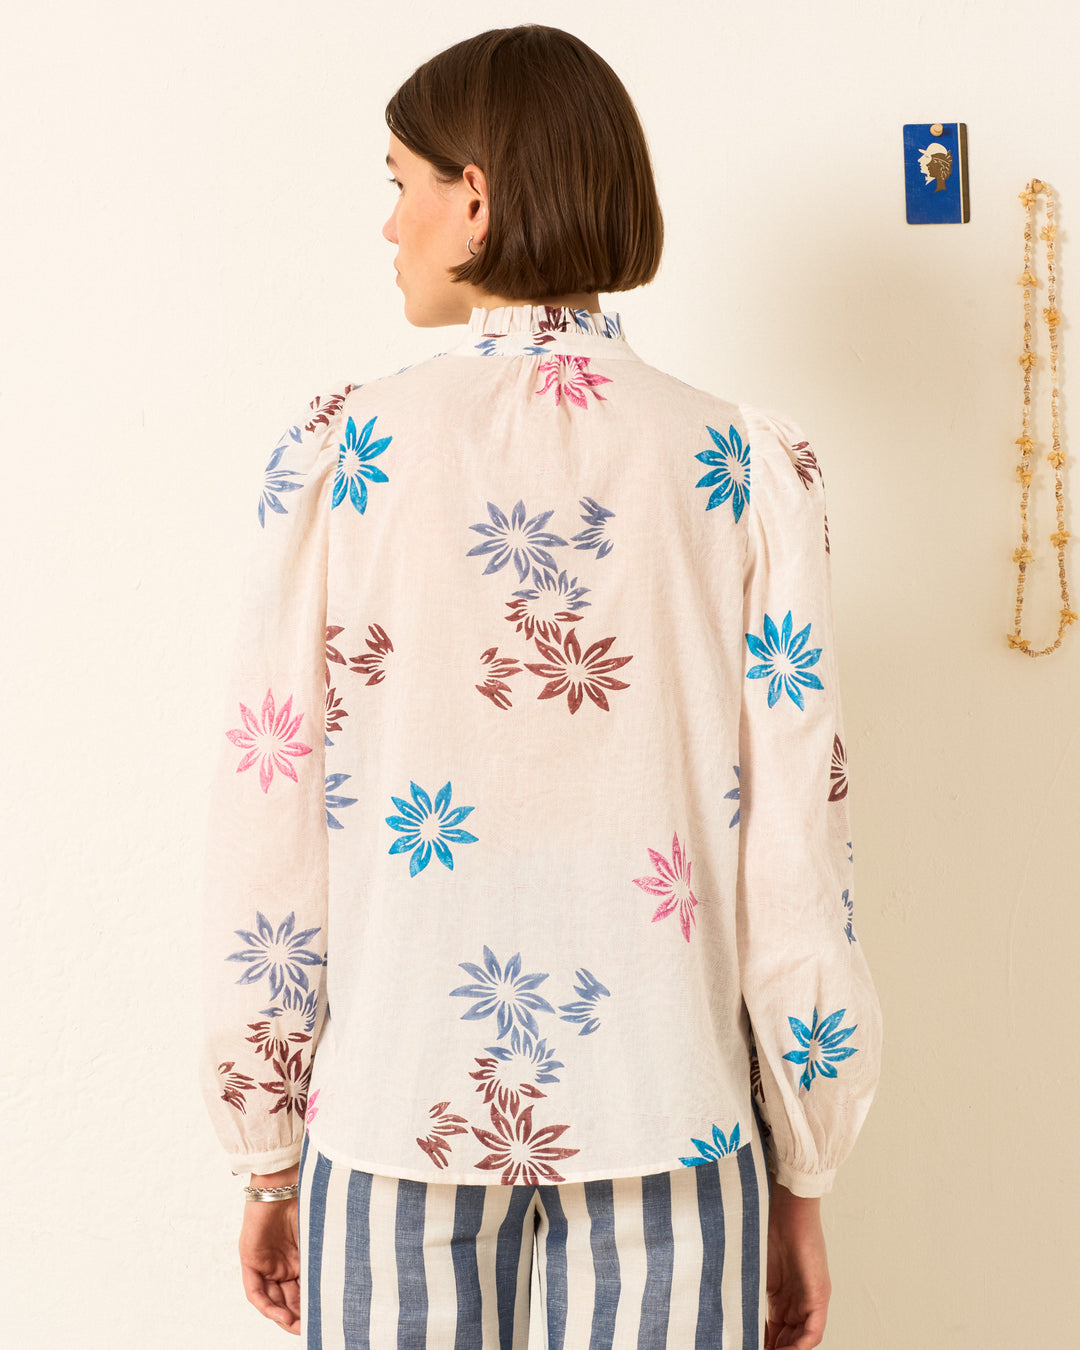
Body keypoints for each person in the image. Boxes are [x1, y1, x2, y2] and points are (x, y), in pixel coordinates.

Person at [201, 23, 882, 1350]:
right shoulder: (740, 463)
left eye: (399, 182)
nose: (386, 223)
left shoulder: (345, 453)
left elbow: (269, 815)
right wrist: (803, 1168)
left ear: (475, 195)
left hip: (393, 1113)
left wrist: (266, 1150)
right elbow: (797, 847)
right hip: (674, 1118)